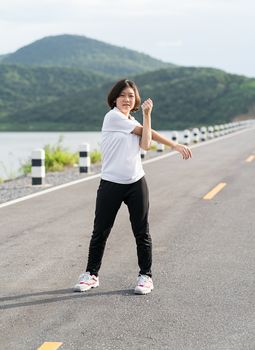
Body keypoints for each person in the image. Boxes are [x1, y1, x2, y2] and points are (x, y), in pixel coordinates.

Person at [74, 79, 192, 295]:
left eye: (131, 96)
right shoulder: (113, 117)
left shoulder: (134, 121)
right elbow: (144, 135)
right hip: (111, 183)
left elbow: (146, 143)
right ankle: (91, 274)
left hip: (136, 182)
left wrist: (147, 115)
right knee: (100, 230)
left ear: (136, 99)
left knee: (141, 231)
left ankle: (145, 276)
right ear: (115, 99)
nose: (127, 99)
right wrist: (174, 144)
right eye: (123, 96)